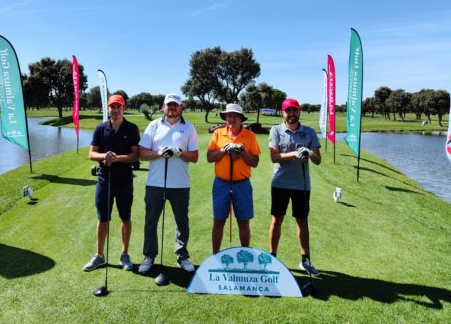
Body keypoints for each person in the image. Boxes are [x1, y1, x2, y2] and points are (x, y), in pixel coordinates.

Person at [138, 93, 199, 273]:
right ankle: (149, 256)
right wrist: (158, 153)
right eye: (169, 105)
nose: (172, 108)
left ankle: (182, 255)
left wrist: (179, 152)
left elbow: (194, 156)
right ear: (163, 107)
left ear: (180, 108)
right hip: (156, 183)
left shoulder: (189, 127)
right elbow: (142, 152)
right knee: (151, 221)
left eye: (175, 105)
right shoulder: (154, 125)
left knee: (182, 222)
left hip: (180, 184)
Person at [83, 94, 140, 272]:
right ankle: (99, 256)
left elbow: (135, 155)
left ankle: (124, 254)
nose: (115, 111)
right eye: (112, 107)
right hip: (104, 180)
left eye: (118, 107)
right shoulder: (101, 129)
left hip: (124, 181)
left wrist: (116, 158)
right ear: (107, 109)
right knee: (103, 219)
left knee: (125, 217)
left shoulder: (131, 128)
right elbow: (92, 154)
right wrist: (103, 156)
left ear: (123, 109)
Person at [268, 98, 322, 275]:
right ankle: (272, 258)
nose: (291, 114)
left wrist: (310, 153)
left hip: (302, 186)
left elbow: (318, 160)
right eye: (288, 111)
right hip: (280, 183)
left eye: (294, 111)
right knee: (277, 220)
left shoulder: (309, 132)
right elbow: (274, 157)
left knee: (302, 221)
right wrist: (295, 153)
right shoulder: (276, 130)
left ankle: (305, 260)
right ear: (283, 113)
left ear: (299, 112)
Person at [207, 103, 260, 253]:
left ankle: (246, 254)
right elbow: (210, 157)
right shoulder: (218, 134)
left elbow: (255, 162)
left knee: (243, 222)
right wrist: (224, 150)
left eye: (235, 115)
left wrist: (242, 152)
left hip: (242, 184)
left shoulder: (250, 136)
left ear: (241, 118)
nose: (231, 118)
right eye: (229, 115)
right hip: (221, 183)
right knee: (218, 221)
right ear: (225, 117)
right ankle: (215, 255)